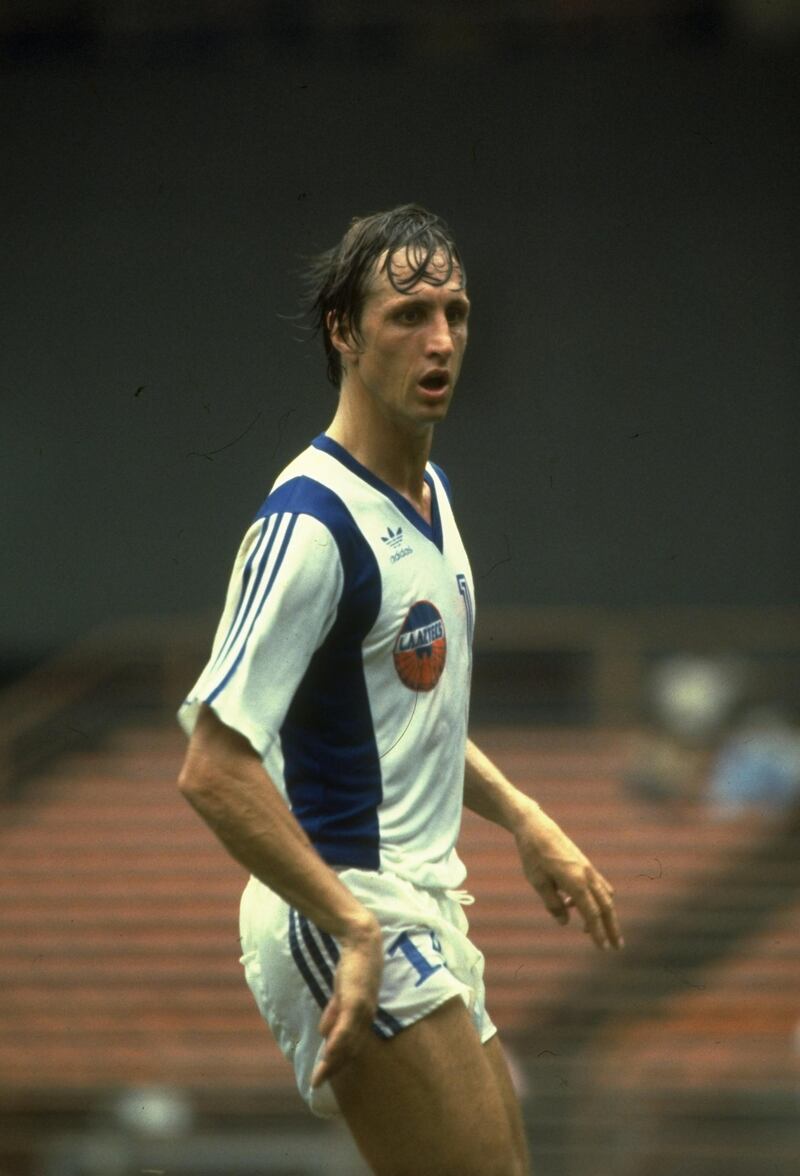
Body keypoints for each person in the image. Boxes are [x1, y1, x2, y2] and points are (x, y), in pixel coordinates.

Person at [177, 204, 623, 1176]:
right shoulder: (309, 525)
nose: (440, 340)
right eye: (408, 314)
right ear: (343, 332)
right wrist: (350, 920)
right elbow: (212, 769)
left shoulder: (429, 499)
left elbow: (401, 721)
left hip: (421, 908)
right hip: (339, 907)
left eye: (455, 313)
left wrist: (523, 818)